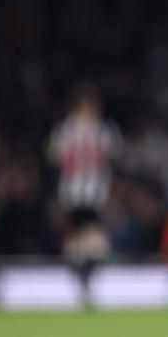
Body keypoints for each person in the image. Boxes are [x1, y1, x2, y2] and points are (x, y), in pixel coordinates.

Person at [48, 85, 121, 303]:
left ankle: (85, 281)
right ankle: (81, 282)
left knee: (92, 239)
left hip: (91, 194)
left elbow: (53, 157)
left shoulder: (71, 130)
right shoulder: (98, 131)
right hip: (75, 193)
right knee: (80, 239)